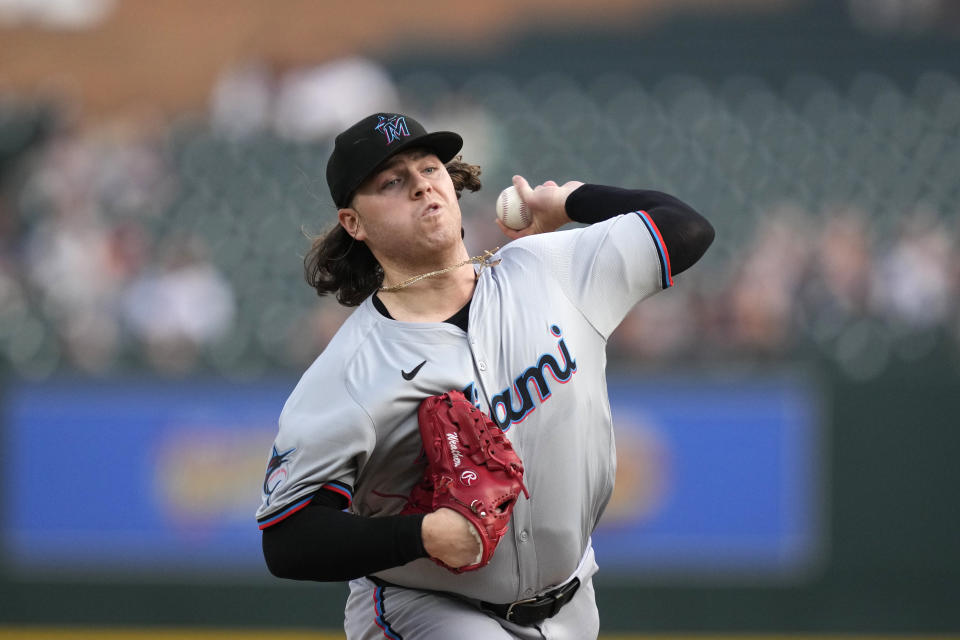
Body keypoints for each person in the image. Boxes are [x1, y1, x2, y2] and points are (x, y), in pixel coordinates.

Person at [257, 112, 714, 639]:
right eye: (391, 181)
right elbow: (288, 538)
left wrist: (569, 201)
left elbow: (685, 228)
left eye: (430, 167)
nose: (422, 185)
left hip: (573, 603)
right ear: (353, 223)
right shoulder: (349, 373)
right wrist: (422, 535)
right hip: (428, 609)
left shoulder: (549, 270)